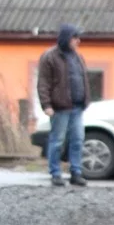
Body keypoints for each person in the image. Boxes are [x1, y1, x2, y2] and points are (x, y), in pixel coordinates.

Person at [37, 24, 91, 187]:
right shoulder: (50, 57)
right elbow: (43, 83)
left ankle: (76, 172)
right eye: (75, 38)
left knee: (77, 140)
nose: (78, 41)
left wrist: (85, 99)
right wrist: (46, 104)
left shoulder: (77, 57)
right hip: (60, 107)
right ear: (67, 38)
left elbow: (82, 79)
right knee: (57, 141)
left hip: (77, 106)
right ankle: (55, 173)